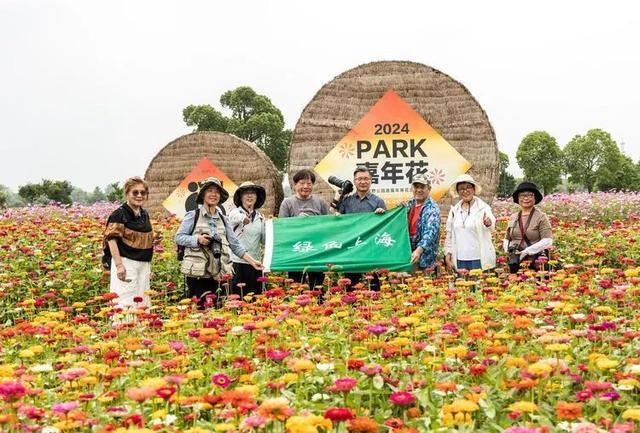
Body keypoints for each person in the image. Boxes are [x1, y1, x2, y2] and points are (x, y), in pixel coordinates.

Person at [175, 177, 262, 307]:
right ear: (203, 195)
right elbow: (179, 237)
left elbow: (235, 245)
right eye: (210, 191)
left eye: (216, 192)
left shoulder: (224, 219)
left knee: (217, 311)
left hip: (218, 274)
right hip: (197, 275)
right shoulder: (193, 215)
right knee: (199, 310)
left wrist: (253, 262)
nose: (213, 194)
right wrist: (197, 239)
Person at [103, 177, 154, 310]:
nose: (139, 195)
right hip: (126, 262)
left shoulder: (144, 214)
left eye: (143, 193)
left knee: (142, 298)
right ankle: (124, 328)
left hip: (143, 262)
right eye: (135, 192)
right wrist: (119, 265)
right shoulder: (119, 214)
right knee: (126, 298)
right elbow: (111, 240)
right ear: (127, 193)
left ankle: (141, 329)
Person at [332, 167, 386, 289]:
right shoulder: (346, 201)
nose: (363, 182)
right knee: (351, 284)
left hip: (371, 249)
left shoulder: (378, 202)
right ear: (354, 181)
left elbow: (385, 226)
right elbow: (337, 220)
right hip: (352, 249)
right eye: (359, 179)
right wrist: (337, 215)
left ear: (371, 181)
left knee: (374, 284)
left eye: (366, 179)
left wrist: (382, 214)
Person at [279, 169, 329, 289]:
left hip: (316, 250)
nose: (305, 186)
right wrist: (296, 221)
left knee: (317, 287)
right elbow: (281, 227)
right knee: (296, 286)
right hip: (296, 251)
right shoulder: (287, 203)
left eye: (309, 183)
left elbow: (327, 225)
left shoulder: (320, 202)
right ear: (295, 185)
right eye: (302, 183)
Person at [444, 174, 496, 273]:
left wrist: (488, 223)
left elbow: (492, 226)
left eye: (468, 187)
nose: (465, 191)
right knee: (462, 287)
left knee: (480, 287)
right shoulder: (454, 211)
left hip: (480, 259)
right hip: (460, 260)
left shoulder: (483, 208)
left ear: (474, 189)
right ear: (458, 192)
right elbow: (449, 235)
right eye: (461, 189)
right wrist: (448, 254)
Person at [503, 182, 553, 273]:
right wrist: (508, 251)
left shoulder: (541, 217)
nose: (526, 198)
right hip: (515, 261)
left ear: (535, 198)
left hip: (535, 260)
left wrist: (526, 251)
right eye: (522, 195)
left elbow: (548, 241)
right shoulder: (513, 217)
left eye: (530, 195)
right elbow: (507, 238)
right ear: (518, 199)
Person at [228, 181, 266, 296]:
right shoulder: (235, 212)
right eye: (246, 193)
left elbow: (264, 240)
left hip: (256, 263)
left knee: (256, 298)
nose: (250, 196)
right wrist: (243, 218)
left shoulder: (260, 217)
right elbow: (233, 217)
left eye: (252, 193)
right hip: (238, 262)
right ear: (240, 197)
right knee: (238, 298)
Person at [405, 173, 441, 272]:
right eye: (416, 187)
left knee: (423, 285)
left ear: (429, 188)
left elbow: (430, 232)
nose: (419, 190)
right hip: (408, 255)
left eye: (422, 187)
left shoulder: (432, 208)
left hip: (425, 259)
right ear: (412, 188)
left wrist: (419, 250)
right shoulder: (409, 204)